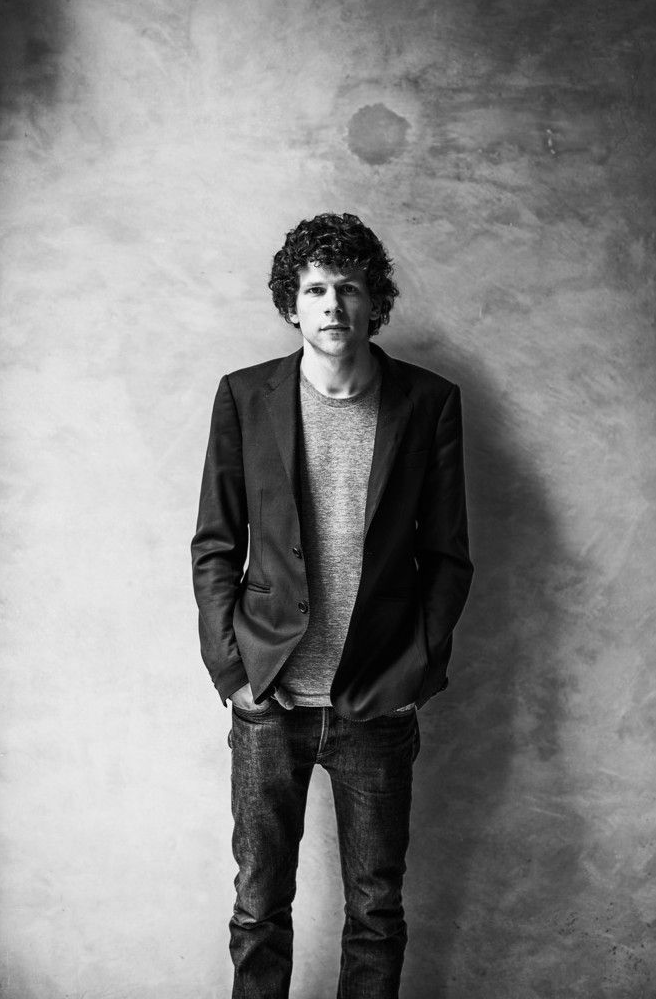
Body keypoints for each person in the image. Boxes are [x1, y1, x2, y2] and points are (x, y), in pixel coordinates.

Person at [190, 212, 473, 998]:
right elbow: (215, 544)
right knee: (257, 908)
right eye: (315, 289)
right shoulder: (245, 397)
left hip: (374, 700)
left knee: (375, 912)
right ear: (292, 303)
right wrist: (233, 673)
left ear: (372, 300)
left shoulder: (427, 402)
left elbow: (446, 556)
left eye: (348, 287)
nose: (332, 304)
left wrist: (412, 673)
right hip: (270, 696)